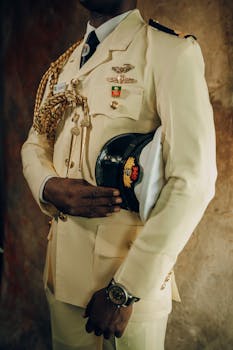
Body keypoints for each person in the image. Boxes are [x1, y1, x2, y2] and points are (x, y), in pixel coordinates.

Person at [21, 0, 217, 349]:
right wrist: (49, 187)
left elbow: (194, 181)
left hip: (124, 294)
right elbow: (36, 141)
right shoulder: (66, 63)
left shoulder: (169, 53)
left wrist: (125, 291)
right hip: (62, 280)